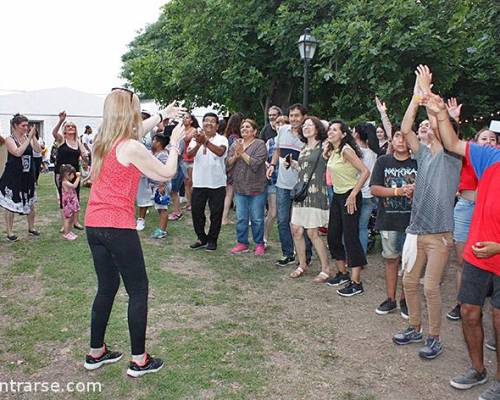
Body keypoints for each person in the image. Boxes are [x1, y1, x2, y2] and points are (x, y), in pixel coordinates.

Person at [83, 87, 184, 377]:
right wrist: (175, 144)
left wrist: (163, 115)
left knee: (107, 286)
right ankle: (139, 359)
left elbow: (138, 128)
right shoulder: (132, 146)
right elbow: (166, 174)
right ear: (129, 112)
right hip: (117, 226)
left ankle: (96, 352)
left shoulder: (103, 140)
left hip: (94, 224)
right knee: (138, 290)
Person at [391, 65, 462, 360]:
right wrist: (415, 97)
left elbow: (445, 132)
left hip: (440, 235)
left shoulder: (452, 156)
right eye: (427, 124)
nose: (427, 127)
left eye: (431, 125)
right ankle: (415, 328)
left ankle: (435, 338)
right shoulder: (422, 154)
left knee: (431, 287)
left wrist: (434, 104)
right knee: (408, 282)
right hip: (417, 231)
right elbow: (405, 129)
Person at [447, 126, 498, 321]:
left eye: (492, 138)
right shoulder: (471, 157)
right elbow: (452, 141)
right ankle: (462, 303)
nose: (488, 141)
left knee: (492, 262)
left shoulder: (493, 159)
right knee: (465, 260)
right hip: (467, 208)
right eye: (483, 138)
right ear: (475, 142)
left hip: (490, 213)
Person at [370, 128, 417, 317]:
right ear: (392, 139)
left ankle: (405, 300)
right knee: (391, 260)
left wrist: (415, 191)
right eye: (398, 135)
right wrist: (398, 191)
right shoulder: (383, 161)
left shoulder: (418, 162)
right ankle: (390, 299)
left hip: (412, 222)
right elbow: (374, 188)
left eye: (406, 137)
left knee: (409, 264)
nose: (401, 140)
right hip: (388, 219)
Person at [324, 120, 370, 296]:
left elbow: (365, 171)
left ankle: (356, 283)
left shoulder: (346, 150)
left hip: (350, 196)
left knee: (350, 238)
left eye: (335, 129)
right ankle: (342, 273)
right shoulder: (334, 150)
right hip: (338, 195)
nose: (330, 131)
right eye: (330, 129)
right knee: (333, 235)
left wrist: (353, 194)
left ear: (343, 134)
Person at [267, 104, 312, 267]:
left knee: (303, 221)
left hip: (302, 185)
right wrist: (272, 165)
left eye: (297, 116)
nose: (293, 118)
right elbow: (278, 151)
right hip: (282, 184)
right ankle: (288, 253)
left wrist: (296, 163)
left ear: (304, 117)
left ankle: (306, 256)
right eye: (291, 115)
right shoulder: (283, 130)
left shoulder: (308, 134)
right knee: (282, 219)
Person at [289, 116, 330, 283]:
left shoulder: (324, 146)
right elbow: (303, 169)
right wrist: (293, 165)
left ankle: (326, 268)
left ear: (318, 128)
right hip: (302, 194)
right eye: (304, 125)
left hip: (316, 193)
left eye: (310, 125)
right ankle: (302, 264)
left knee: (313, 232)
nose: (306, 127)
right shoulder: (304, 148)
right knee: (296, 230)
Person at [187, 112, 228, 251]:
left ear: (217, 126)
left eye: (212, 121)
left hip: (217, 183)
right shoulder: (195, 139)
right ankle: (201, 237)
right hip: (199, 182)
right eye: (206, 121)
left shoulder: (222, 139)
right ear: (202, 123)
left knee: (216, 213)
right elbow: (189, 154)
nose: (209, 123)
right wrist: (199, 143)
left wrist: (206, 141)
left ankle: (212, 239)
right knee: (197, 212)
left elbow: (220, 152)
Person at [227, 119, 268, 255]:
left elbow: (256, 164)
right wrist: (236, 155)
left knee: (257, 218)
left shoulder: (260, 144)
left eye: (248, 127)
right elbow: (228, 164)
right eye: (242, 127)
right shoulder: (235, 144)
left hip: (257, 188)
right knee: (241, 218)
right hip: (239, 188)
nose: (244, 129)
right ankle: (242, 243)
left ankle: (259, 244)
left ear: (255, 131)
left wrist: (242, 153)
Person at [0, 114, 42, 241]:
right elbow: (17, 152)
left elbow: (38, 150)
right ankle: (10, 232)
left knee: (30, 202)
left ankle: (31, 227)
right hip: (13, 175)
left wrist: (33, 137)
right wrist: (28, 138)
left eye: (27, 125)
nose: (26, 128)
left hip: (27, 174)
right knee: (10, 204)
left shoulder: (27, 137)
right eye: (23, 125)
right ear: (15, 126)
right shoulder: (9, 139)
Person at [52, 112, 88, 231]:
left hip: (75, 173)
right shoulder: (62, 140)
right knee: (64, 197)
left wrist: (85, 158)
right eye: (68, 126)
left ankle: (76, 221)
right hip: (61, 173)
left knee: (76, 197)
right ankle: (65, 223)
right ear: (65, 130)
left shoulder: (78, 141)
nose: (71, 127)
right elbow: (54, 133)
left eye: (73, 126)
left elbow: (84, 155)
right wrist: (61, 120)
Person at [353, 123, 379, 255]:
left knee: (351, 227)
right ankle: (361, 256)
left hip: (355, 193)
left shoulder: (355, 153)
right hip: (369, 195)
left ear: (356, 134)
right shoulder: (374, 153)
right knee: (363, 227)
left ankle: (351, 255)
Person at [263, 115, 289, 246]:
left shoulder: (294, 141)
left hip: (289, 183)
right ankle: (264, 238)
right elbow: (264, 159)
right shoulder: (270, 142)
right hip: (273, 181)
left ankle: (293, 244)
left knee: (288, 216)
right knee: (273, 212)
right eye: (277, 123)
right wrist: (269, 165)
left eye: (283, 123)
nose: (280, 126)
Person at [222, 112, 243, 225]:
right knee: (230, 194)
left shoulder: (227, 136)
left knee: (229, 194)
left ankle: (224, 217)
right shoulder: (235, 138)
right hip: (232, 168)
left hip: (227, 167)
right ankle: (224, 218)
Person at [149, 134, 172, 239]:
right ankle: (161, 229)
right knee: (160, 207)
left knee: (162, 208)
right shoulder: (158, 153)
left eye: (154, 140)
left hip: (161, 185)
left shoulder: (163, 155)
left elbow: (163, 170)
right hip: (157, 185)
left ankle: (162, 230)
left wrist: (161, 185)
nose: (152, 142)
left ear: (158, 143)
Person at [135, 110, 155, 231]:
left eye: (145, 117)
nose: (142, 119)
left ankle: (141, 219)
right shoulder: (130, 129)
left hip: (144, 163)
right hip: (131, 162)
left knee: (143, 191)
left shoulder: (152, 132)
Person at [181, 113, 199, 211]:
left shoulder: (194, 130)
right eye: (183, 118)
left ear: (191, 121)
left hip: (191, 158)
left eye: (187, 118)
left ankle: (193, 202)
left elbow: (186, 138)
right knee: (186, 182)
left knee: (191, 181)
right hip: (183, 158)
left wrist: (180, 134)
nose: (184, 119)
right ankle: (188, 202)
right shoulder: (182, 130)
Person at [60, 164, 81, 241]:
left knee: (71, 218)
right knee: (67, 219)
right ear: (66, 174)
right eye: (72, 174)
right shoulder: (65, 182)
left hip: (72, 201)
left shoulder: (67, 181)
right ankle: (66, 233)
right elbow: (74, 186)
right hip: (68, 203)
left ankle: (69, 231)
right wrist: (78, 177)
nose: (73, 176)